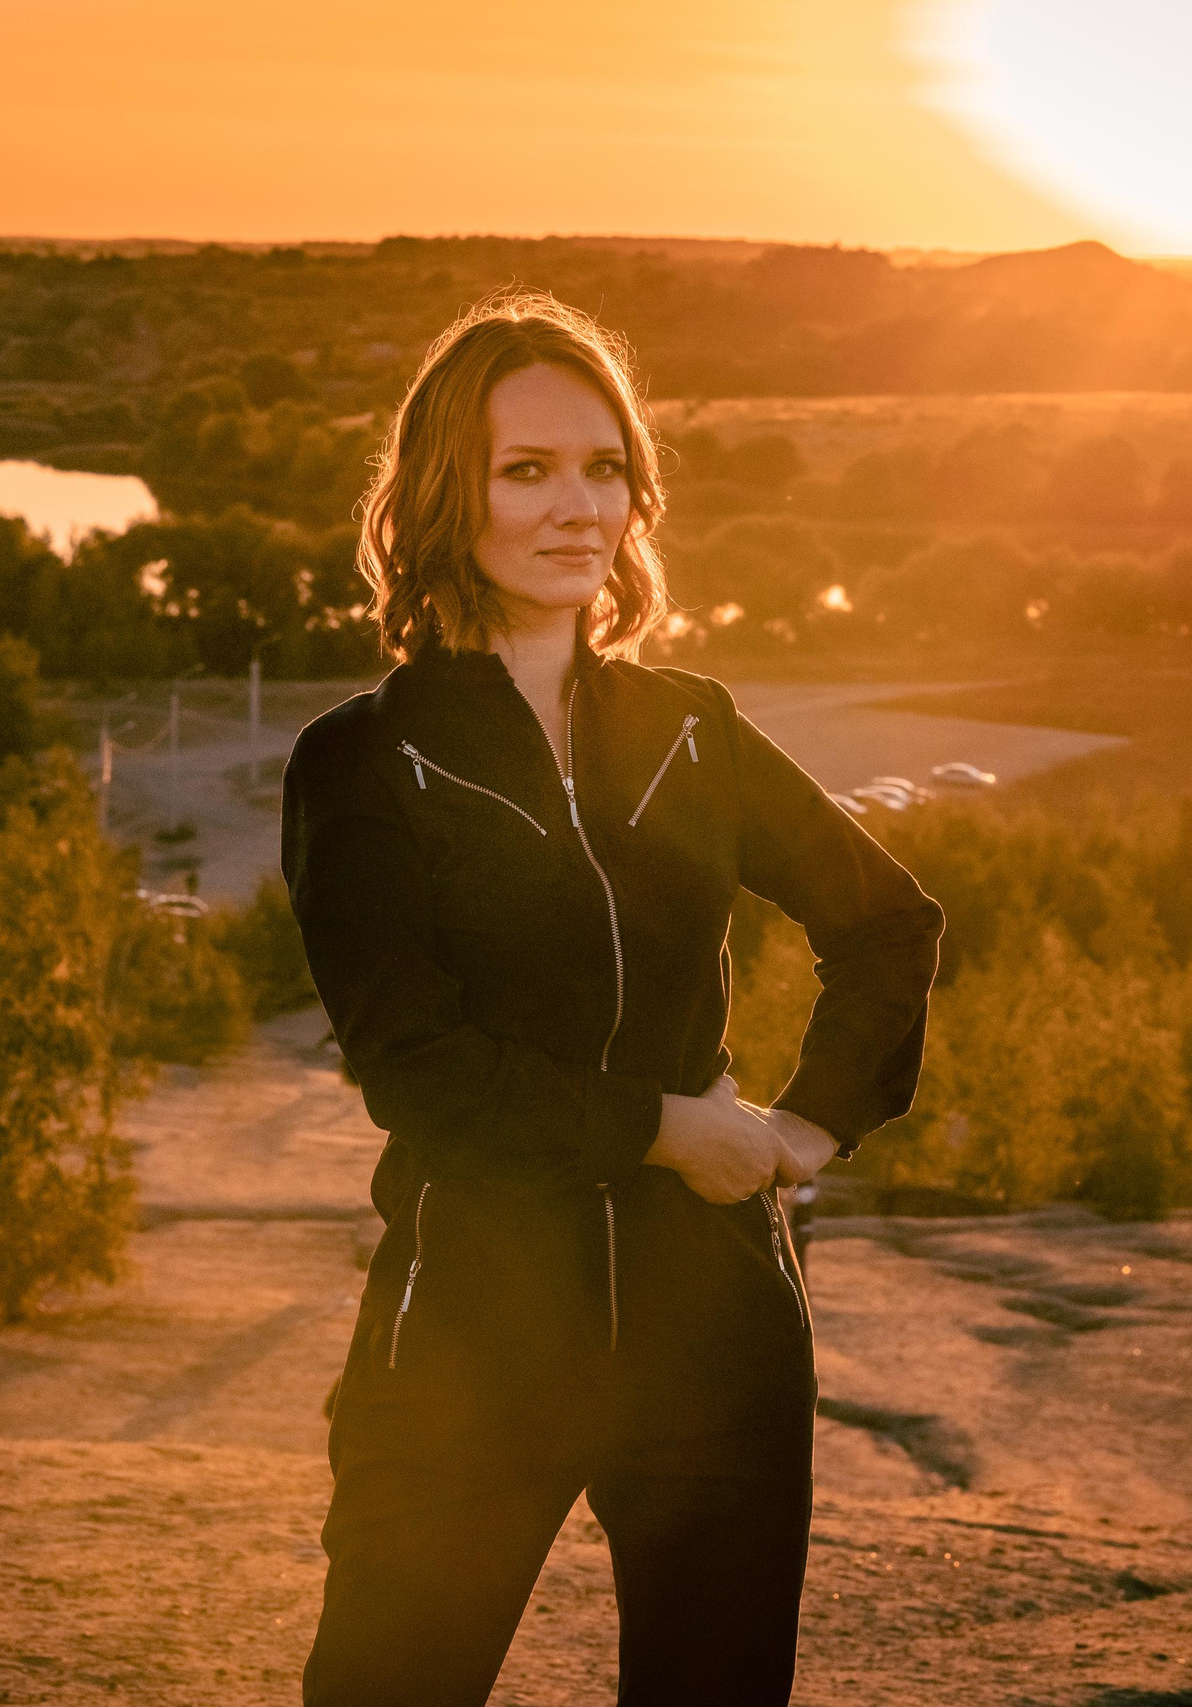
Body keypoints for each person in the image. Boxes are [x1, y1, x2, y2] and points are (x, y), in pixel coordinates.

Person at [283, 289, 943, 1707]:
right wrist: (661, 1128)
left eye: (604, 467)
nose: (577, 507)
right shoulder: (364, 762)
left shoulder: (691, 728)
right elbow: (421, 1070)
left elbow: (889, 924)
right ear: (446, 495)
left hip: (715, 1333)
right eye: (528, 470)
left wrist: (814, 1126)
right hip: (466, 1337)